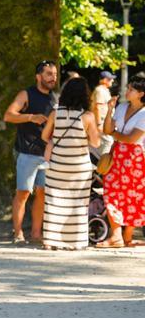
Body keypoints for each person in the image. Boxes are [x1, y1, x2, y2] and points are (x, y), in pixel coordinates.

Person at [39, 77, 101, 250]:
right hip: (79, 167)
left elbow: (44, 136)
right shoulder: (87, 116)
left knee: (54, 201)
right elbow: (95, 143)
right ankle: (75, 242)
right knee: (77, 203)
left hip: (57, 164)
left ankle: (50, 241)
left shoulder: (55, 112)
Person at [2, 60, 58, 244]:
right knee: (23, 193)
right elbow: (8, 115)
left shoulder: (55, 99)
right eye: (49, 74)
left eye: (55, 74)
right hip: (27, 152)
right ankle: (18, 233)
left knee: (42, 193)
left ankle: (36, 233)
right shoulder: (26, 94)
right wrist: (30, 117)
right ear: (38, 76)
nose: (53, 78)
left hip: (47, 155)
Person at [98, 77, 145, 248]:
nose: (127, 91)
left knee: (132, 196)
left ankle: (126, 236)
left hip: (135, 158)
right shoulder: (122, 107)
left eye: (131, 89)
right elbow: (107, 129)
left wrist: (114, 135)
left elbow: (132, 139)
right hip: (118, 154)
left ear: (141, 94)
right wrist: (110, 110)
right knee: (111, 191)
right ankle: (117, 235)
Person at [91, 70, 116, 156]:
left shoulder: (104, 90)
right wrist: (98, 125)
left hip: (104, 122)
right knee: (108, 143)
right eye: (110, 79)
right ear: (104, 80)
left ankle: (100, 166)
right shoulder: (100, 90)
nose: (112, 80)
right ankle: (102, 167)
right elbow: (97, 107)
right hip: (101, 122)